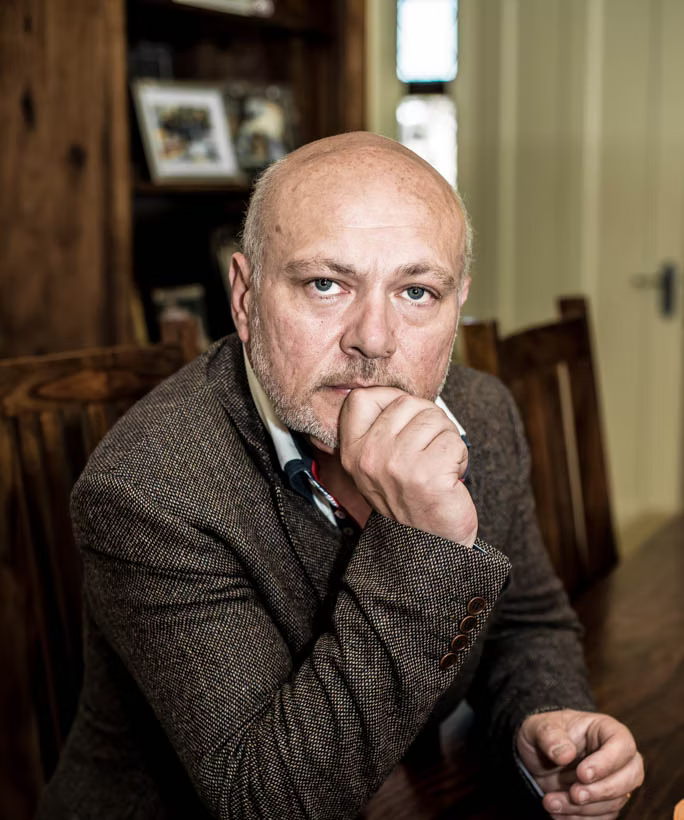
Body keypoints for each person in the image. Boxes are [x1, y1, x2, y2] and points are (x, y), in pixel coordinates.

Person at [39, 132, 643, 819]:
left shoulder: (482, 413)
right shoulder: (146, 489)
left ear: (456, 308)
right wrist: (424, 547)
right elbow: (268, 801)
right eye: (326, 284)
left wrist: (549, 719)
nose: (374, 340)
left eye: (417, 292)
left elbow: (522, 621)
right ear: (244, 297)